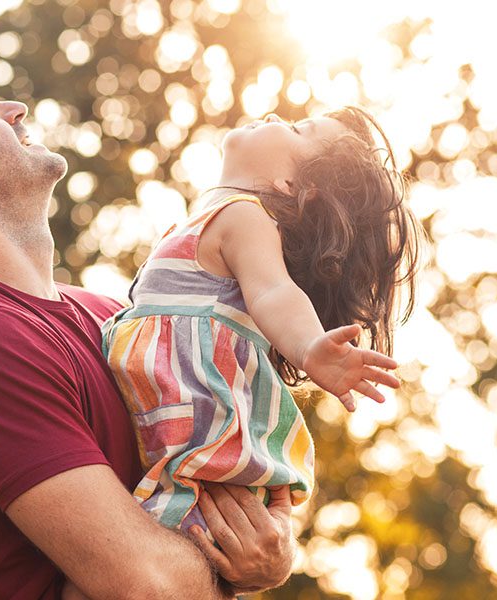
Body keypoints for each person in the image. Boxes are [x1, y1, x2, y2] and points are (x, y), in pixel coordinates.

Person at [0, 57, 295, 599]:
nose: (14, 109)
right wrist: (223, 572)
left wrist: (272, 548)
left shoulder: (110, 315)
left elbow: (228, 467)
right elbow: (151, 588)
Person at [100, 108, 422, 559]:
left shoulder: (243, 217)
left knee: (109, 572)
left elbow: (274, 291)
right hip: (177, 457)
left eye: (294, 129)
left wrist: (310, 346)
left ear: (295, 190)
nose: (273, 115)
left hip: (198, 463)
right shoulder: (198, 224)